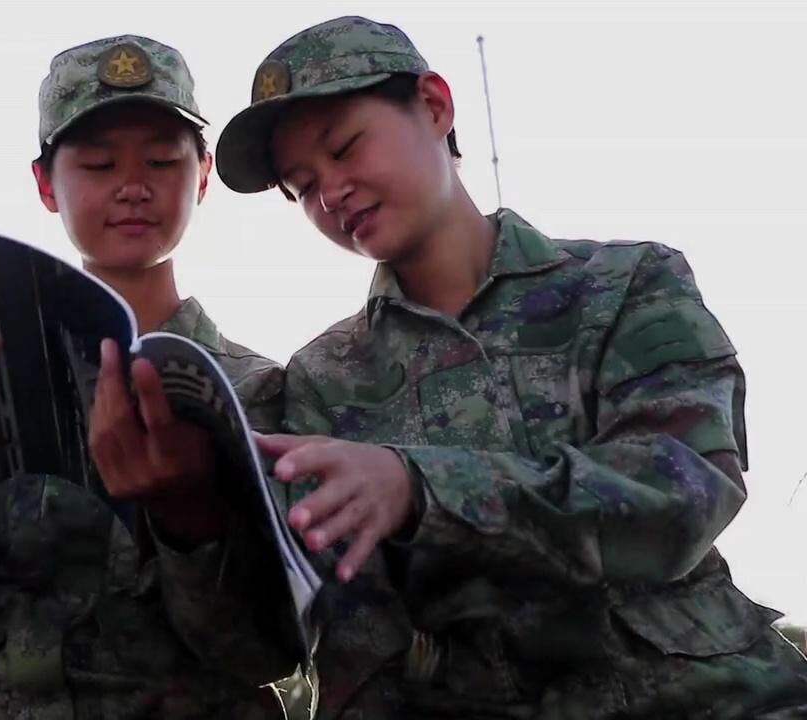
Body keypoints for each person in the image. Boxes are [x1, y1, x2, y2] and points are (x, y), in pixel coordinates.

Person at [204, 14, 807, 719]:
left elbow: (679, 495)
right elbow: (357, 640)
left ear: (434, 106)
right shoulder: (322, 380)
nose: (331, 193)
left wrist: (420, 490)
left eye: (345, 148)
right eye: (301, 186)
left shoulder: (627, 287)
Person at [0, 33, 309, 719]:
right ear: (44, 185)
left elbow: (267, 653)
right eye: (96, 163)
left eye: (161, 160)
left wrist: (187, 518)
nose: (133, 186)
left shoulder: (255, 391)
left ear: (203, 176)